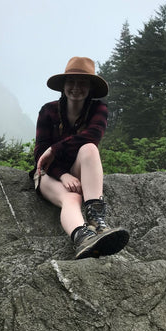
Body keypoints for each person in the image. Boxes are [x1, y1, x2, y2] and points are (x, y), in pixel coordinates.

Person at [31, 56, 129, 259]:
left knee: (90, 148)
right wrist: (62, 174)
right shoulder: (48, 111)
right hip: (48, 173)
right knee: (71, 197)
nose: (76, 87)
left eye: (82, 82)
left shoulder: (98, 109)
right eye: (71, 82)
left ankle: (97, 220)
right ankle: (83, 238)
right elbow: (41, 156)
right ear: (63, 86)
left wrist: (55, 149)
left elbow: (92, 136)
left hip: (77, 166)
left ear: (90, 88)